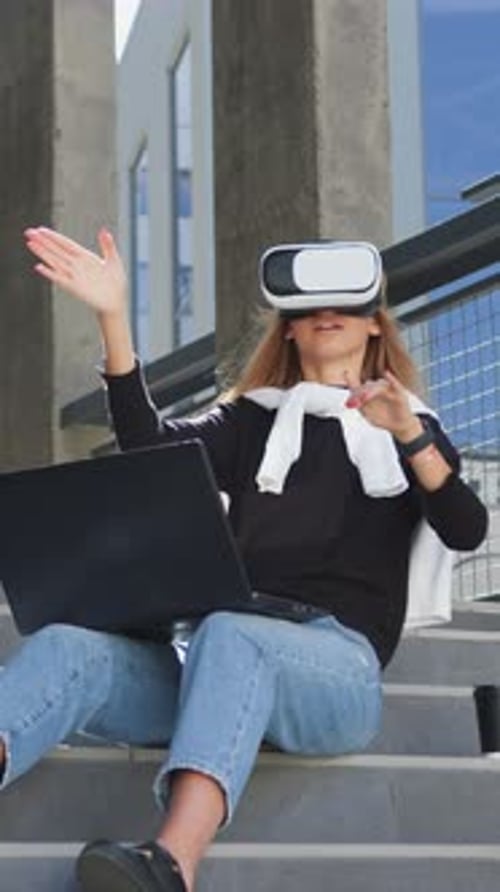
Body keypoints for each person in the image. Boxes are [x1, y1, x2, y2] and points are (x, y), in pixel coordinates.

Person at [0, 227, 487, 892]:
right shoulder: (253, 422)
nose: (327, 313)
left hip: (336, 671)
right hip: (216, 661)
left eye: (346, 305)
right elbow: (148, 445)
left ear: (375, 327)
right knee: (68, 648)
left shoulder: (410, 428)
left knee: (235, 634)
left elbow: (464, 527)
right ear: (288, 331)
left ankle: (170, 864)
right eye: (309, 309)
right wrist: (113, 318)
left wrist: (410, 437)